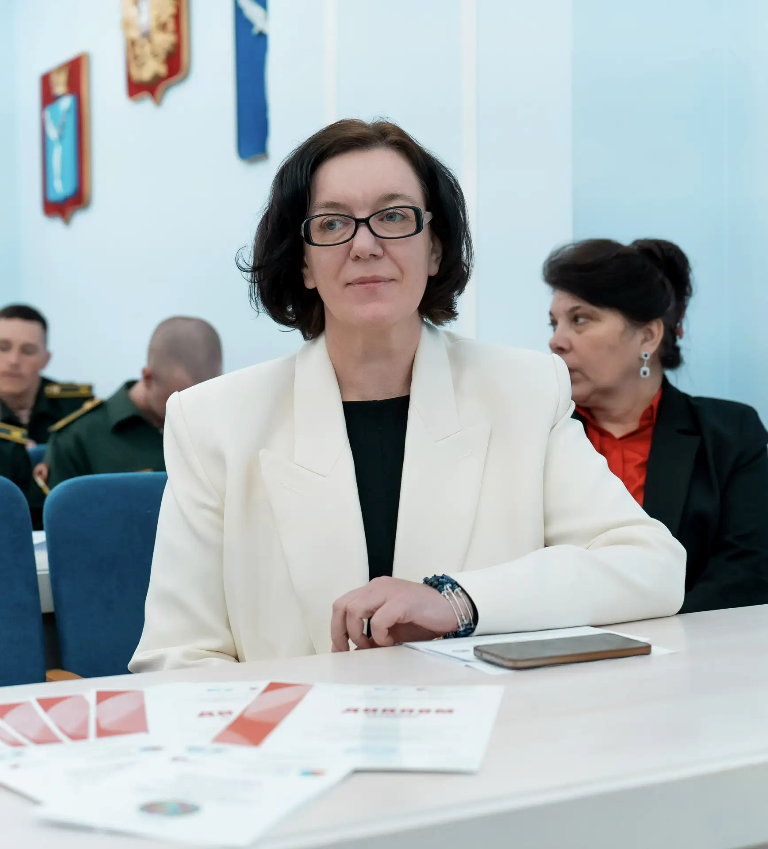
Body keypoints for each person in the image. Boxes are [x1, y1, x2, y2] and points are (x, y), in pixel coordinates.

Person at [130, 119, 685, 673]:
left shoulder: (524, 391)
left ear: (435, 249)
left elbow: (650, 567)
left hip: (496, 723)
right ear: (303, 263)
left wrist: (457, 600)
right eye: (332, 223)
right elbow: (178, 658)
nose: (365, 245)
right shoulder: (214, 422)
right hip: (294, 724)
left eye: (394, 217)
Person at [546, 238, 768, 614]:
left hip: (692, 643)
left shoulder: (731, 434)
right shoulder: (538, 434)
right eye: (554, 323)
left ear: (648, 336)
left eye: (580, 320)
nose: (556, 341)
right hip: (557, 640)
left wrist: (656, 637)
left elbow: (747, 572)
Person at [45, 317, 223, 488]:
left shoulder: (223, 429)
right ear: (147, 377)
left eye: (204, 400)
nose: (193, 412)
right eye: (180, 400)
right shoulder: (77, 439)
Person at [0, 304, 93, 446]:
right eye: (3, 348)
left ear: (46, 359)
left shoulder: (76, 407)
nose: (14, 360)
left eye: (28, 351)